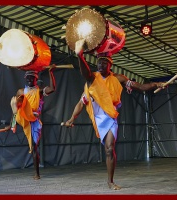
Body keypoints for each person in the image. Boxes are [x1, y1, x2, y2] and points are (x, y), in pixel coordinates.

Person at [65, 40, 166, 190]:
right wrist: (72, 118)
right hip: (98, 118)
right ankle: (80, 55)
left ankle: (110, 181)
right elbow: (81, 103)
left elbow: (141, 87)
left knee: (109, 148)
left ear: (110, 64)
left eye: (104, 63)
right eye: (99, 63)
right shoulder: (92, 79)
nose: (100, 65)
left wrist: (156, 84)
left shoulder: (119, 79)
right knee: (108, 147)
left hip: (110, 116)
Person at [10, 65, 56, 180]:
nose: (30, 80)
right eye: (28, 77)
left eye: (32, 78)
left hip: (34, 121)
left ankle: (37, 173)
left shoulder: (39, 91)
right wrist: (12, 124)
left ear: (36, 79)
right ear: (25, 78)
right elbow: (15, 109)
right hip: (24, 118)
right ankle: (36, 172)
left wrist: (51, 73)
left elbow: (52, 88)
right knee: (33, 145)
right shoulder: (21, 91)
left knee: (34, 146)